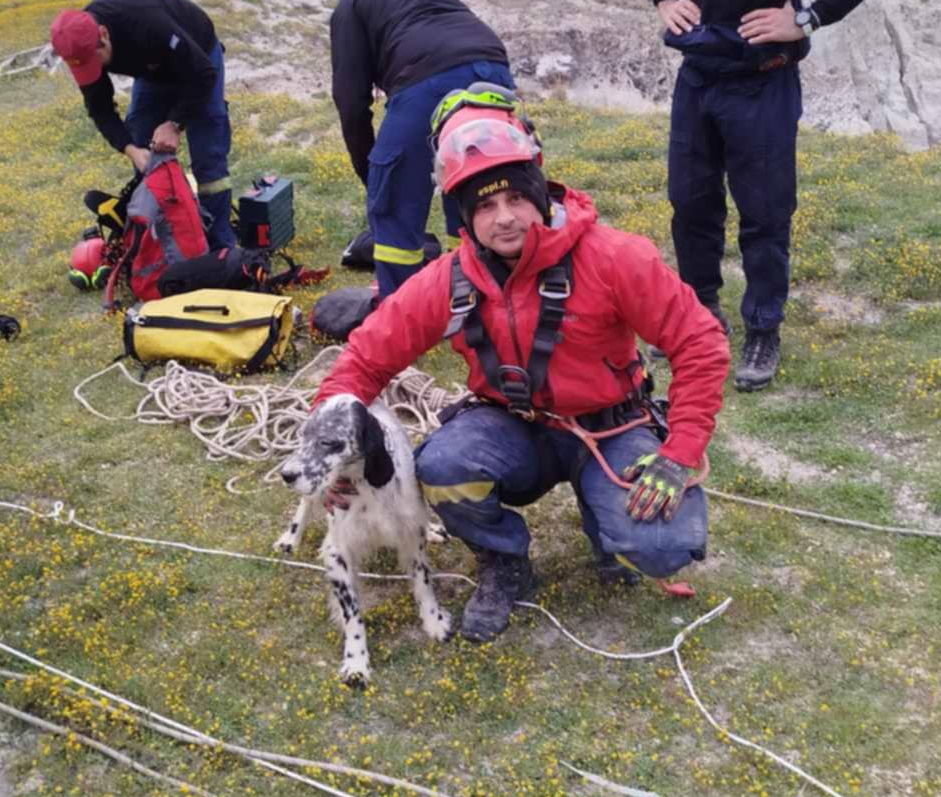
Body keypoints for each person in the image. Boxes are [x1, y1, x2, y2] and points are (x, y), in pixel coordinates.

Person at [312, 93, 731, 643]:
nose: (504, 217)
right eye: (484, 206)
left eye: (516, 197)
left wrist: (680, 452)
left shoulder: (614, 258)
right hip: (511, 429)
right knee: (442, 468)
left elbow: (700, 341)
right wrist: (331, 454)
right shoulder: (450, 279)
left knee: (662, 546)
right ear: (465, 216)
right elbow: (363, 361)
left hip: (612, 428)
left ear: (541, 194)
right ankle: (504, 561)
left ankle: (606, 529)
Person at [644, 0, 899, 391]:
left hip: (763, 78)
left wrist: (807, 18)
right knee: (689, 204)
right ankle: (699, 321)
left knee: (764, 212)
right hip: (698, 75)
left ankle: (763, 329)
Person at [329, 0, 515, 299]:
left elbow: (350, 102)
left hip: (429, 77)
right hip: (494, 68)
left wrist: (372, 175)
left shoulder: (350, 4)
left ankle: (402, 312)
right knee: (475, 183)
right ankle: (483, 293)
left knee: (394, 203)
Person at [51, 0, 236, 249]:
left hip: (198, 58)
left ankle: (220, 249)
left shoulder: (147, 22)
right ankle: (157, 242)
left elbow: (203, 75)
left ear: (103, 34)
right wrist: (131, 151)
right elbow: (100, 109)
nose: (98, 69)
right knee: (140, 141)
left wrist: (175, 123)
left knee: (209, 157)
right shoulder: (80, 45)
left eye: (97, 60)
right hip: (152, 70)